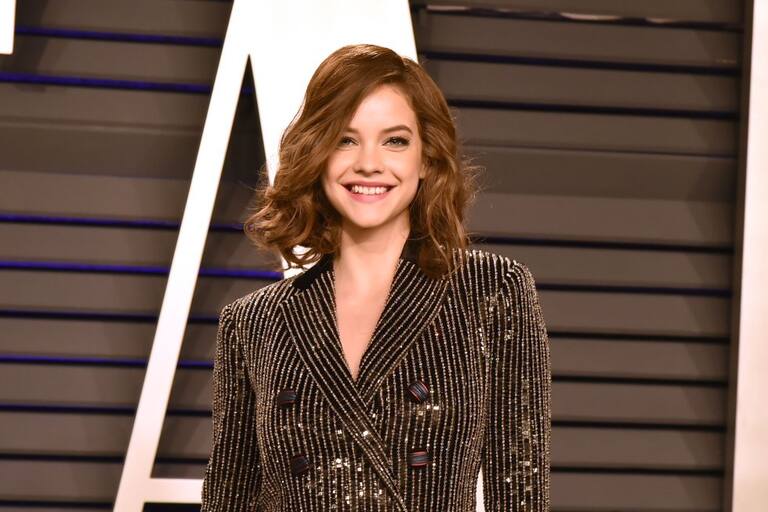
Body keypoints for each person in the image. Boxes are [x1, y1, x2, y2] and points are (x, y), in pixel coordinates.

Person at [201, 43, 551, 511]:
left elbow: (521, 491)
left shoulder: (491, 290)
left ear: (426, 158)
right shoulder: (253, 323)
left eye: (395, 141)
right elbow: (228, 499)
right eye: (345, 140)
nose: (369, 163)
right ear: (318, 154)